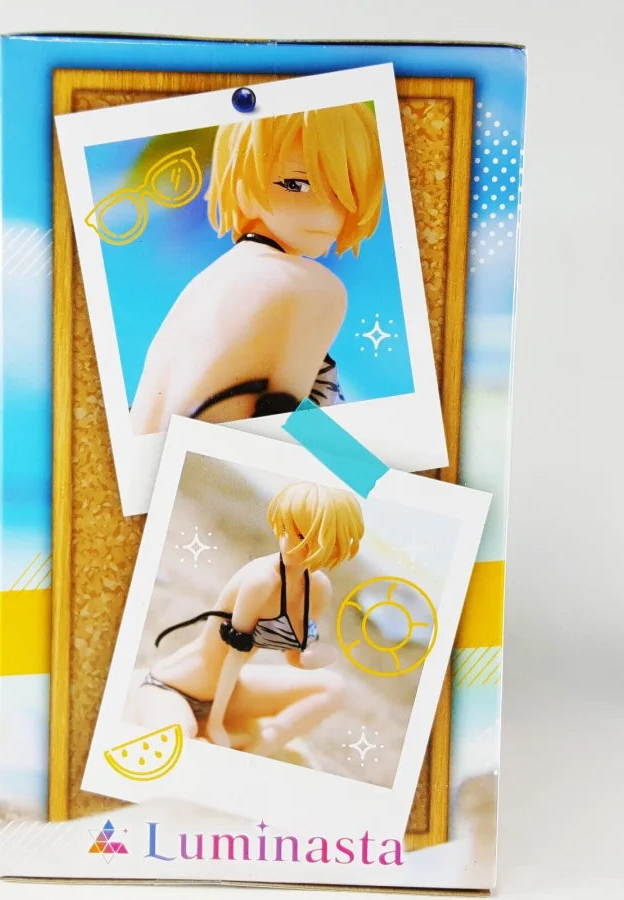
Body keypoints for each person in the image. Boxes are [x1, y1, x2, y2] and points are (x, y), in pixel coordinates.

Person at [128, 104, 384, 435]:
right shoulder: (311, 285)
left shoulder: (203, 286)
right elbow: (283, 413)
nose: (326, 209)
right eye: (296, 185)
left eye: (341, 191)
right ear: (241, 186)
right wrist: (367, 468)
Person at [127, 481, 364, 757]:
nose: (287, 542)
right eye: (285, 528)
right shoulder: (260, 580)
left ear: (330, 544)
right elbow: (234, 655)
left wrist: (319, 656)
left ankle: (259, 748)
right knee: (177, 743)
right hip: (175, 687)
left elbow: (295, 656)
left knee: (334, 689)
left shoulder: (318, 588)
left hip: (231, 693)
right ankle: (216, 735)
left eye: (300, 535)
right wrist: (215, 724)